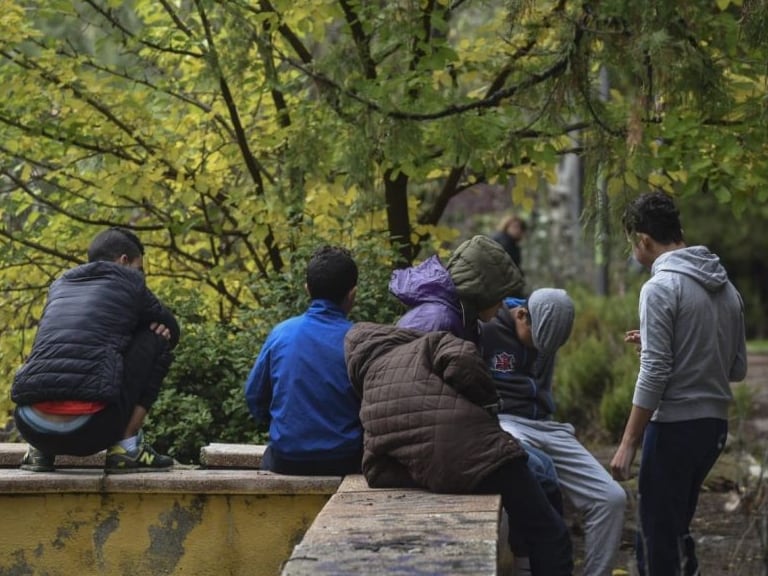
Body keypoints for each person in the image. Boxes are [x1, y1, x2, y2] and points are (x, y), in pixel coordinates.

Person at [344, 323, 573, 576]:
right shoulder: (425, 344)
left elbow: (375, 471)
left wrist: (425, 471)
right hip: (486, 453)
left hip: (446, 476)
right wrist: (485, 404)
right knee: (550, 533)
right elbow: (463, 358)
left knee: (535, 507)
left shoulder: (369, 400)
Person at [610, 191, 747, 576]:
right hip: (712, 430)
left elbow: (654, 371)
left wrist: (627, 442)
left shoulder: (660, 287)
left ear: (644, 241)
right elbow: (735, 368)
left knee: (655, 539)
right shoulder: (727, 289)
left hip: (673, 429)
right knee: (676, 529)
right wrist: (670, 344)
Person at [480, 289, 627, 576]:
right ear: (522, 315)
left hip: (546, 424)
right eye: (536, 342)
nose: (540, 353)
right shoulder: (486, 328)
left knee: (612, 498)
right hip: (504, 421)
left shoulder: (548, 336)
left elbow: (542, 387)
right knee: (519, 476)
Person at [12, 227, 180, 473]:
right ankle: (128, 449)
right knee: (157, 336)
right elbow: (172, 328)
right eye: (139, 268)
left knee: (54, 344)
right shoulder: (129, 281)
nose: (141, 276)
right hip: (90, 429)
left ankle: (38, 453)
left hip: (29, 425)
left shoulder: (60, 285)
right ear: (124, 261)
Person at [244, 246, 363, 475]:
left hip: (287, 459)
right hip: (346, 459)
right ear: (353, 294)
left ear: (307, 289)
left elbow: (254, 397)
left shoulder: (281, 333)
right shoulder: (360, 339)